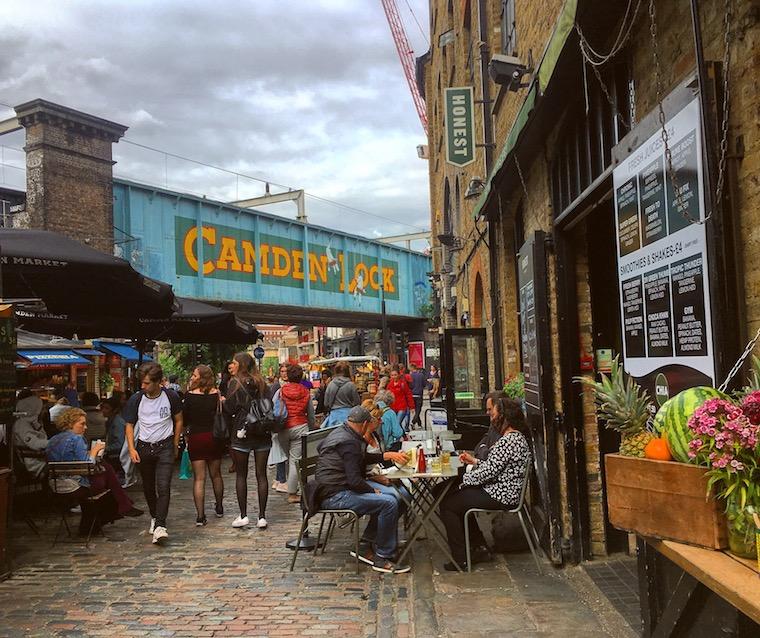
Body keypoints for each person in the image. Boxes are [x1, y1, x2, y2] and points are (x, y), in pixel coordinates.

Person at [310, 405, 410, 574]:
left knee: (400, 496)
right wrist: (372, 491)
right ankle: (382, 556)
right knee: (389, 502)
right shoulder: (349, 441)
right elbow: (355, 480)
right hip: (335, 493)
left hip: (336, 487)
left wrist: (386, 456)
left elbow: (359, 458)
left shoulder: (343, 433)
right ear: (364, 424)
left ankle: (371, 543)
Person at [439, 397, 531, 571]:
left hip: (502, 495)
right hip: (500, 489)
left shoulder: (508, 441)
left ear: (505, 417)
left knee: (449, 504)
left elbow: (488, 473)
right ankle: (476, 546)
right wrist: (474, 462)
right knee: (455, 498)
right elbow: (493, 467)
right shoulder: (514, 439)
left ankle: (462, 558)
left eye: (494, 415)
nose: (491, 418)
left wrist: (463, 481)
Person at [47, 407, 142, 533]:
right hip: (77, 485)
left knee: (106, 468)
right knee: (107, 470)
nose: (85, 427)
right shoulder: (77, 439)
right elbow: (88, 466)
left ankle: (120, 506)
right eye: (82, 424)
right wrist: (95, 451)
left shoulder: (53, 440)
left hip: (56, 485)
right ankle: (121, 506)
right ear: (70, 424)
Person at [124, 362, 184, 545]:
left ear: (158, 382)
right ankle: (154, 516)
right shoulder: (136, 399)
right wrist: (132, 449)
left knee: (163, 486)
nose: (143, 386)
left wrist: (175, 443)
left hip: (164, 445)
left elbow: (179, 419)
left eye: (147, 383)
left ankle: (160, 525)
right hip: (144, 446)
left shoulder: (170, 396)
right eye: (142, 383)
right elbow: (129, 425)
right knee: (148, 487)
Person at [223, 352, 271, 529]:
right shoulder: (262, 382)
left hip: (242, 432)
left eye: (234, 363)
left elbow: (229, 408)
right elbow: (268, 404)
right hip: (262, 431)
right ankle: (262, 516)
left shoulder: (235, 383)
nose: (232, 366)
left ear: (241, 365)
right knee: (261, 475)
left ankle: (243, 515)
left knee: (241, 475)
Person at [183, 365, 225, 526]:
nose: (193, 377)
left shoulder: (189, 396)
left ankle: (200, 516)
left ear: (201, 377)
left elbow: (185, 418)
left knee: (199, 479)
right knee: (216, 475)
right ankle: (219, 507)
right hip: (214, 437)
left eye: (194, 375)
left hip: (196, 437)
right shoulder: (217, 394)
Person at [275, 364, 315, 504]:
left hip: (283, 428)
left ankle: (287, 484)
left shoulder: (281, 391)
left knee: (286, 458)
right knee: (294, 461)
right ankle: (292, 493)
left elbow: (274, 408)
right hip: (300, 427)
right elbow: (310, 414)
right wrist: (311, 427)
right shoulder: (305, 391)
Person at [13, 391, 48, 478]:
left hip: (41, 461)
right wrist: (56, 442)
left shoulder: (32, 422)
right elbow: (35, 444)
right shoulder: (21, 425)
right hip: (36, 466)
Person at [269, 363, 289, 492]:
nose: (285, 373)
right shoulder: (277, 386)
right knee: (282, 453)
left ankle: (278, 479)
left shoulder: (286, 385)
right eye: (282, 371)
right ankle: (282, 480)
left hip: (283, 423)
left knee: (280, 453)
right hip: (281, 422)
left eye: (286, 371)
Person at [322, 361, 360, 428]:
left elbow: (326, 403)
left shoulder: (331, 385)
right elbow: (357, 403)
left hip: (334, 418)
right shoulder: (351, 385)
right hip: (349, 418)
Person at [100, 397, 127, 482]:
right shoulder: (111, 421)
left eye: (107, 408)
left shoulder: (117, 423)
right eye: (103, 408)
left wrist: (105, 448)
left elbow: (120, 443)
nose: (103, 410)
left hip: (116, 458)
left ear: (114, 410)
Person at [387, 367, 414, 431]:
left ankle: (397, 438)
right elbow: (387, 395)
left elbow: (408, 395)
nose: (394, 377)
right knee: (396, 424)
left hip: (402, 406)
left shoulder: (403, 384)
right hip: (393, 407)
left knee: (397, 423)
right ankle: (404, 436)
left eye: (395, 375)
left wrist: (412, 407)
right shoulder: (389, 385)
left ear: (398, 375)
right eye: (392, 375)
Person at [409, 363, 427, 429]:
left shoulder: (410, 376)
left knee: (416, 410)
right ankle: (413, 422)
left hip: (412, 394)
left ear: (411, 368)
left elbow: (410, 386)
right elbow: (424, 384)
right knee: (418, 410)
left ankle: (419, 424)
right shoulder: (421, 375)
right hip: (419, 394)